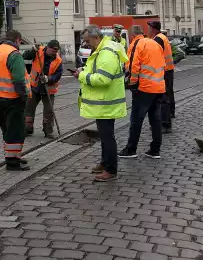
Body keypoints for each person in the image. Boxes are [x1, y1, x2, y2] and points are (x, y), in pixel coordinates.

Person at [74, 25, 128, 182]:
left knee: (107, 137)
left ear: (96, 37)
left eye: (87, 40)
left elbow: (103, 79)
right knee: (105, 136)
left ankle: (111, 169)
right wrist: (83, 70)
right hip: (103, 102)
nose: (86, 44)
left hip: (106, 102)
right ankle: (105, 163)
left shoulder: (106, 53)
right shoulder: (102, 49)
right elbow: (98, 71)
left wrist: (82, 75)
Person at [118, 25, 166, 159]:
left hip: (144, 88)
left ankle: (131, 149)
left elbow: (133, 66)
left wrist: (131, 84)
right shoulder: (154, 43)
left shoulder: (136, 44)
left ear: (132, 36)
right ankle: (155, 150)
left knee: (136, 120)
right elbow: (163, 64)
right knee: (155, 119)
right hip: (159, 87)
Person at [0, 30, 31, 171]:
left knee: (6, 129)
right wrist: (23, 96)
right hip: (14, 98)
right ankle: (12, 163)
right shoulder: (14, 54)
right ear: (18, 40)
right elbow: (19, 79)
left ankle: (14, 156)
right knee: (15, 130)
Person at [23, 40, 63, 137]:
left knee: (49, 111)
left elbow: (57, 76)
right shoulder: (38, 52)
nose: (55, 52)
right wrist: (33, 50)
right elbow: (25, 56)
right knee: (29, 109)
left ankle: (48, 131)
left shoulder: (58, 61)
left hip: (48, 89)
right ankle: (27, 129)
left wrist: (48, 78)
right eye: (53, 50)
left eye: (56, 51)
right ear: (47, 47)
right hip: (35, 87)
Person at [147, 21, 175, 133]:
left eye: (149, 28)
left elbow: (155, 56)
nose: (147, 30)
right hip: (168, 70)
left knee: (163, 99)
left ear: (153, 29)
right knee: (167, 96)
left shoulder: (157, 39)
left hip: (163, 72)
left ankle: (165, 124)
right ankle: (167, 119)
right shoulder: (163, 37)